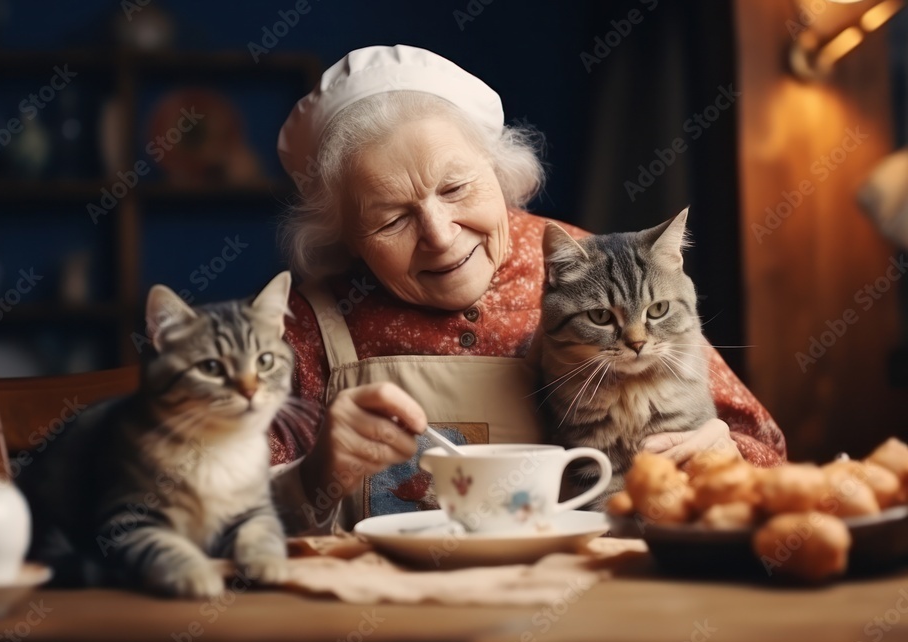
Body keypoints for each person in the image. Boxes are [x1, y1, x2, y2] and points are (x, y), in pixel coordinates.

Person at [268, 45, 785, 535]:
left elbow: (767, 452)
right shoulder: (306, 323)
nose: (441, 236)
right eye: (391, 219)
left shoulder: (594, 264)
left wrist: (727, 456)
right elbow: (207, 517)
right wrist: (309, 479)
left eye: (455, 188)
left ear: (498, 174)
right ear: (346, 239)